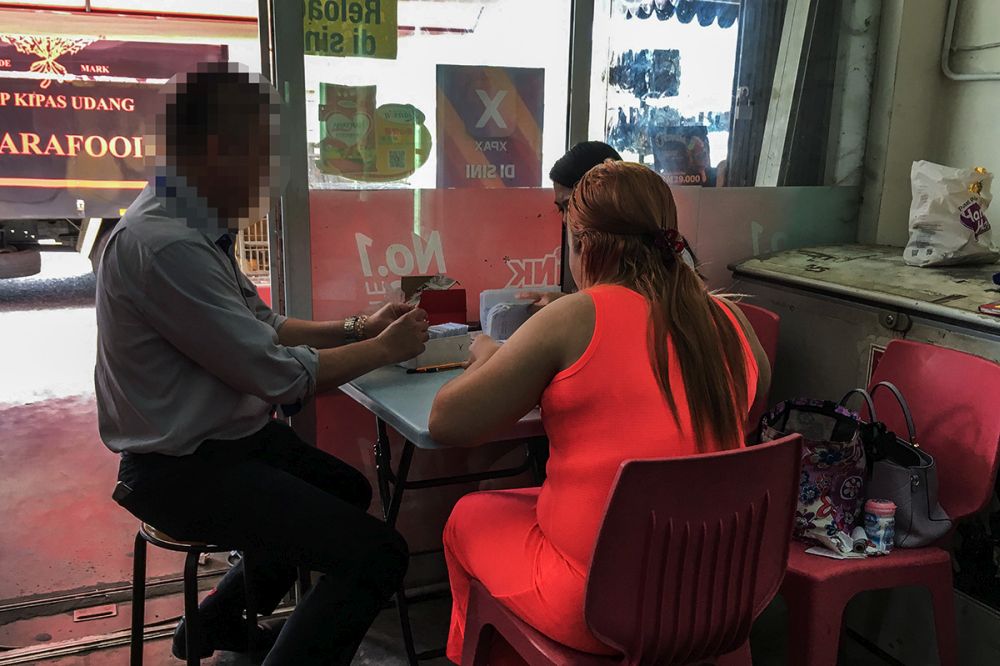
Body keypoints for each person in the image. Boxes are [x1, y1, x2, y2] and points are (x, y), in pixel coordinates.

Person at [95, 62, 429, 665]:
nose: (267, 175)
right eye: (264, 155)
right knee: (379, 553)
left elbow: (265, 326)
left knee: (345, 490)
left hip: (229, 445)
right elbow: (273, 372)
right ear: (219, 150)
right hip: (180, 471)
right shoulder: (164, 245)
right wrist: (385, 350)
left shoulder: (190, 224)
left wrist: (359, 327)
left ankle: (215, 624)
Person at [428, 161, 771, 663]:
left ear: (583, 243)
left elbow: (448, 422)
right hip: (719, 594)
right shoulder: (730, 317)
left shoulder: (574, 314)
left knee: (467, 515)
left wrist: (489, 356)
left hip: (599, 607)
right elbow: (748, 414)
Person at [517, 140, 622, 309]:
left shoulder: (641, 261)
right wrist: (567, 302)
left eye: (571, 205)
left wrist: (571, 309)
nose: (566, 219)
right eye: (562, 209)